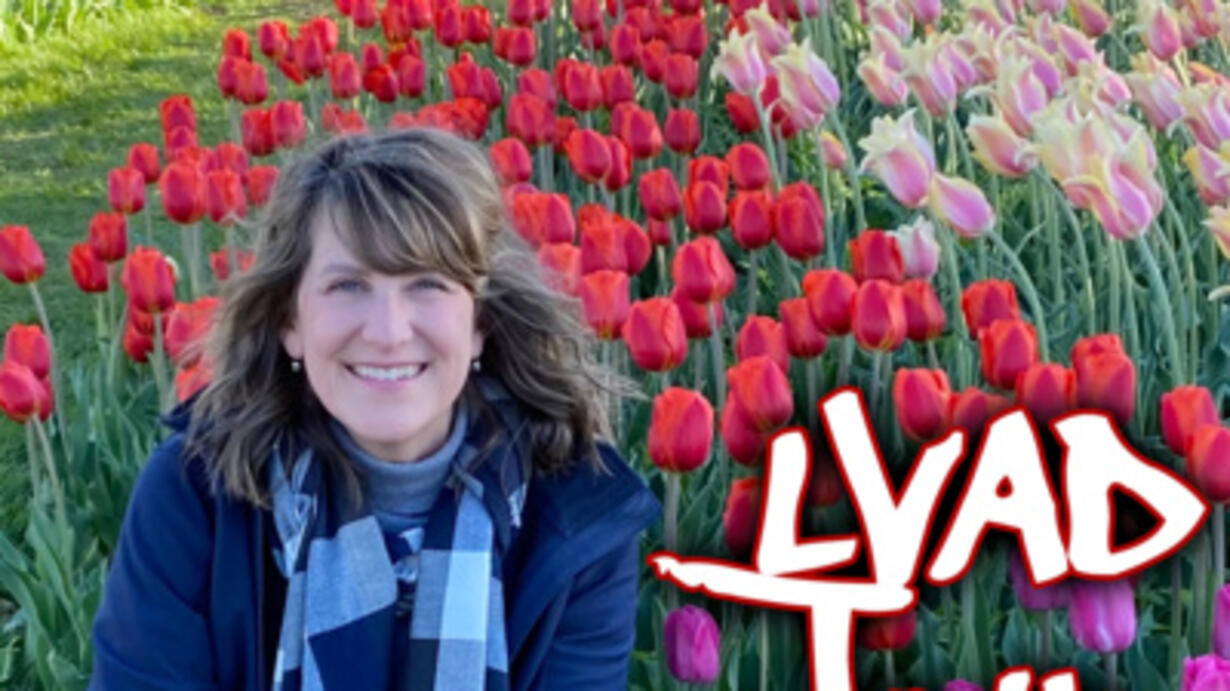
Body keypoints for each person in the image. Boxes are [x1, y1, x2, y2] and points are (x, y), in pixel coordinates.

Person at [90, 127, 660, 690]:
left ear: (480, 322)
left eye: (428, 284)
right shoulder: (196, 496)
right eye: (348, 286)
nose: (388, 333)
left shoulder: (575, 515)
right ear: (290, 322)